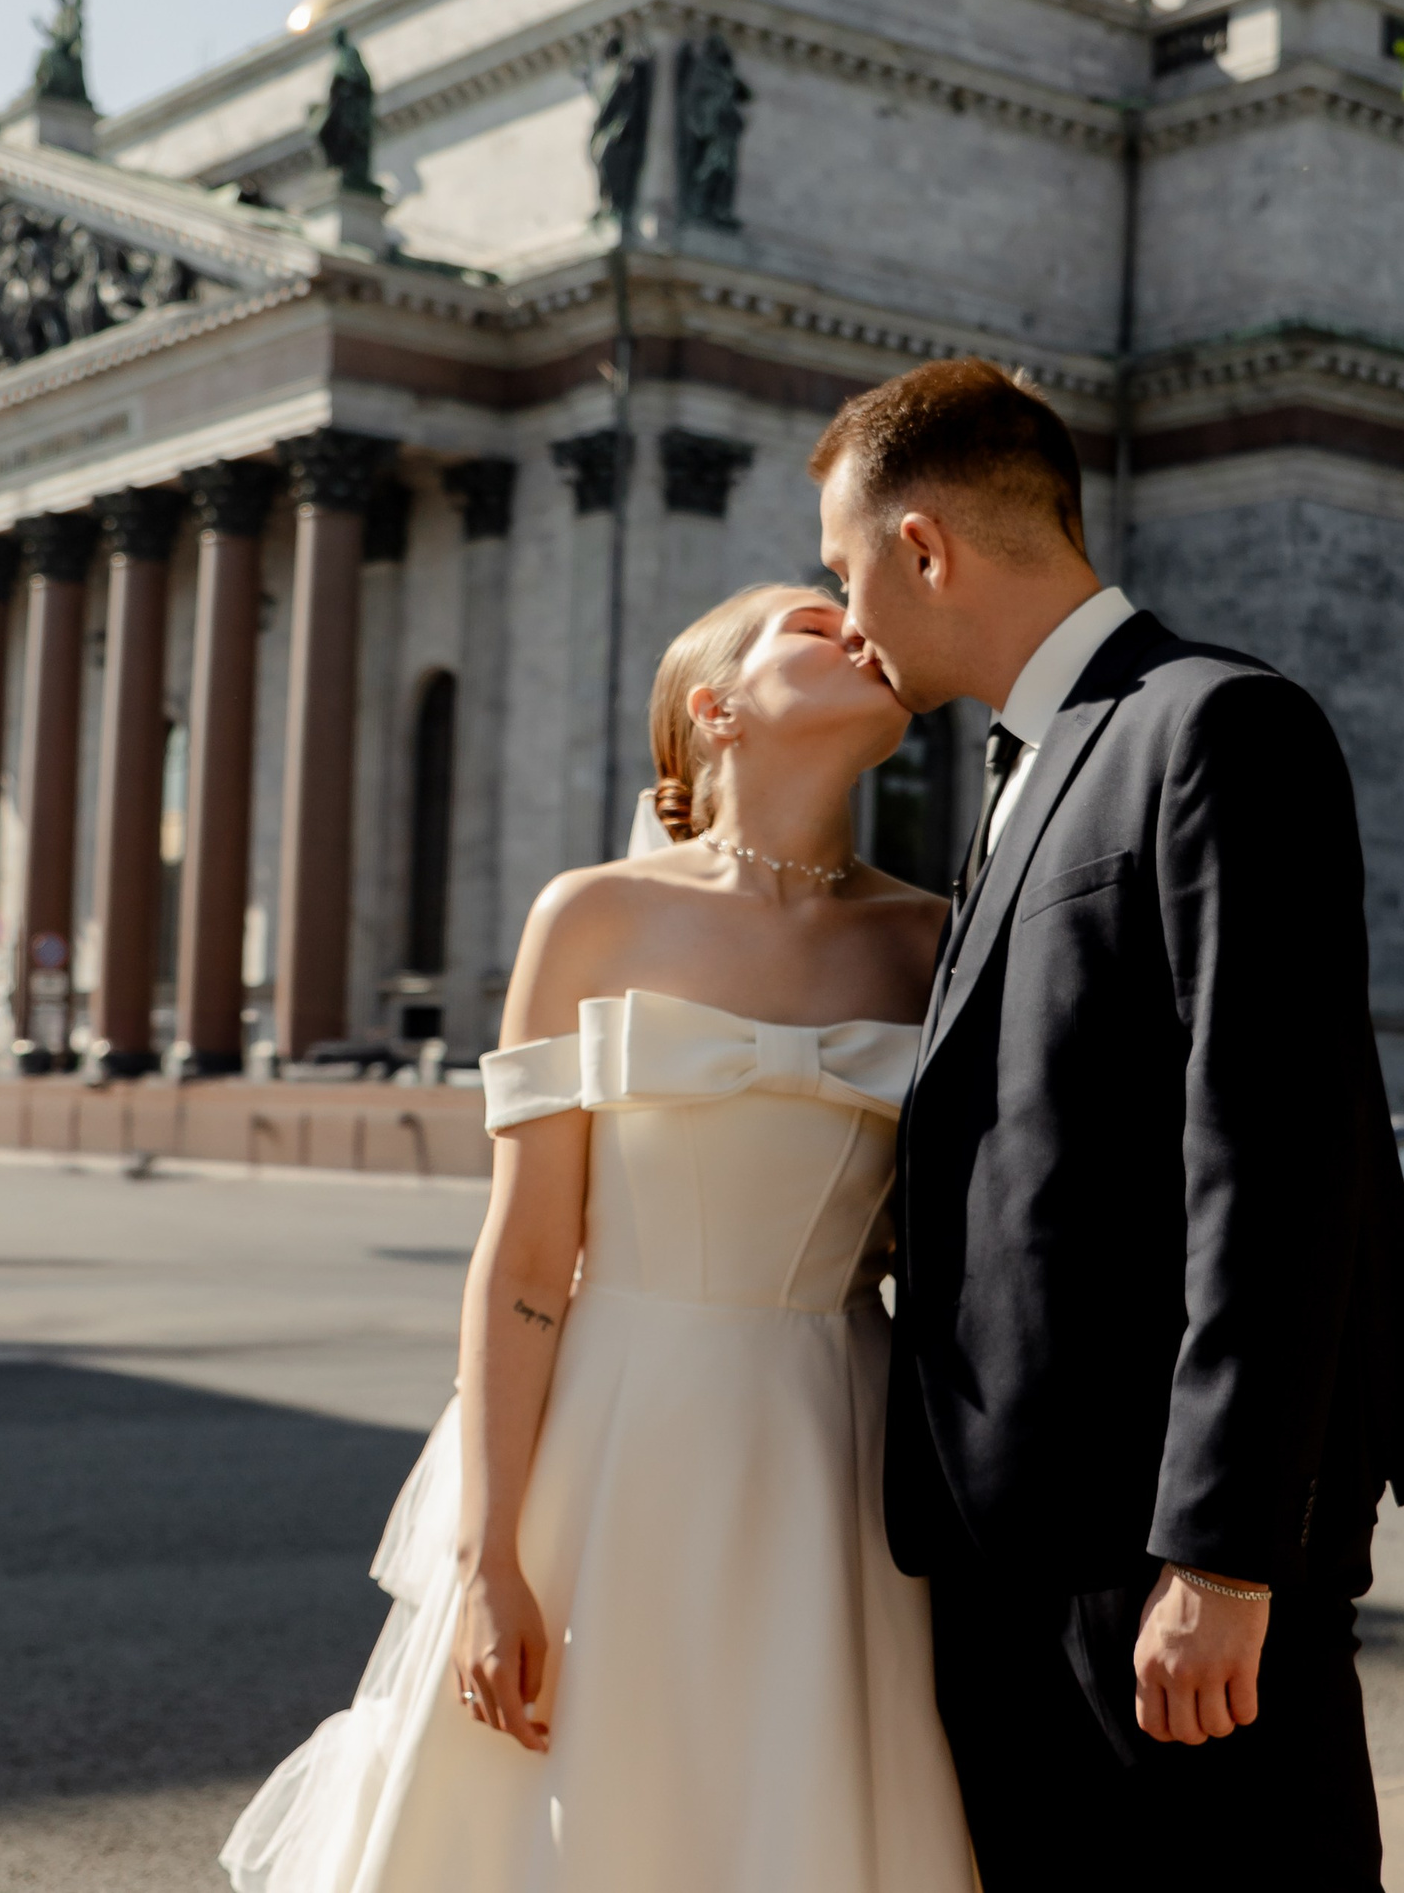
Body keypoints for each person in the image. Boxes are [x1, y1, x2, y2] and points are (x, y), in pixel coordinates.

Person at [811, 357, 1404, 1892]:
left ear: (924, 548)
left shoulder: (1219, 726)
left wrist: (1229, 1553)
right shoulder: (1020, 767)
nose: (842, 617)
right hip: (1019, 1544)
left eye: (843, 570)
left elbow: (1277, 1161)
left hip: (1164, 1552)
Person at [222, 584, 975, 1893]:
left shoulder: (933, 938)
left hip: (834, 1446)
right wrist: (489, 1557)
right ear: (716, 707)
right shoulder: (590, 915)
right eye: (812, 622)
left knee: (797, 1804)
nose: (857, 626)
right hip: (612, 1437)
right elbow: (523, 1262)